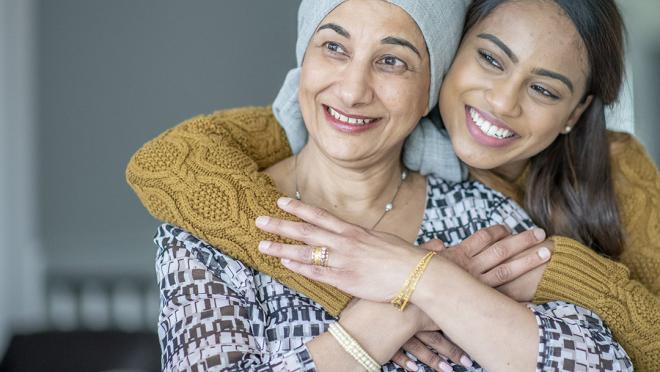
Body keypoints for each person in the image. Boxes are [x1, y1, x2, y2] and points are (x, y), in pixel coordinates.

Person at [127, 0, 639, 370]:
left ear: (430, 92)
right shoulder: (207, 226)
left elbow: (604, 363)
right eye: (333, 47)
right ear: (303, 61)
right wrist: (391, 317)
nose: (352, 90)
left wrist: (429, 279)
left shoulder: (486, 217)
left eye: (392, 60)